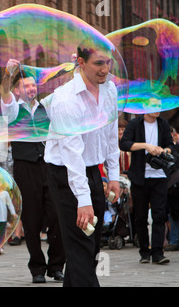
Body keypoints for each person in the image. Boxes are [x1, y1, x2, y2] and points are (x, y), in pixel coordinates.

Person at [41, 41, 120, 287]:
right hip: (65, 174)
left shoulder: (109, 90)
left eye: (107, 62)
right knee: (80, 243)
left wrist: (114, 175)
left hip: (93, 171)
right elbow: (72, 155)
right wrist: (82, 201)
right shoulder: (65, 100)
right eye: (98, 63)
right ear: (81, 62)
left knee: (91, 245)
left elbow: (110, 134)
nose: (105, 69)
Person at [0, 58, 65, 283]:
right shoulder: (12, 110)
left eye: (33, 85)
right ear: (17, 91)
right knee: (31, 219)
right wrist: (8, 73)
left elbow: (66, 92)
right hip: (25, 168)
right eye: (26, 86)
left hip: (49, 164)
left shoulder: (46, 107)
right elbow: (4, 92)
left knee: (57, 214)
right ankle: (37, 268)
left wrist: (75, 68)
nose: (31, 88)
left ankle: (56, 265)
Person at [120, 98, 174, 264]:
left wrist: (163, 150)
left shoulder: (163, 124)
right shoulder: (135, 124)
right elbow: (124, 144)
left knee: (159, 215)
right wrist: (145, 146)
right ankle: (144, 251)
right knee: (140, 216)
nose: (157, 109)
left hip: (159, 176)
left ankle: (158, 252)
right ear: (144, 108)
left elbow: (170, 145)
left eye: (159, 106)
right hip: (140, 177)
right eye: (153, 106)